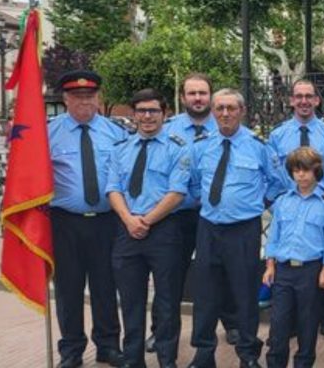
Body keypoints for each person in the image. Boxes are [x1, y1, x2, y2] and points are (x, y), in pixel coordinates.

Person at [187, 88, 287, 368]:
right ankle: (203, 353)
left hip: (244, 230)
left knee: (244, 294)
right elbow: (194, 183)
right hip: (208, 227)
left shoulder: (258, 146)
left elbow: (278, 182)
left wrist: (258, 202)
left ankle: (248, 353)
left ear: (241, 111)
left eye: (231, 108)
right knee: (204, 294)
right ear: (213, 112)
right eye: (219, 108)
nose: (225, 114)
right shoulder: (201, 145)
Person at [48, 70, 128, 368]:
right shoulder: (48, 132)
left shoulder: (117, 132)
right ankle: (71, 350)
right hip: (65, 222)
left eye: (90, 96)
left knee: (106, 286)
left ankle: (108, 345)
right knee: (68, 289)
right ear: (66, 99)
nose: (85, 102)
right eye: (77, 96)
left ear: (98, 98)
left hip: (107, 222)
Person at [157, 73, 241, 353]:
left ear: (211, 96)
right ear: (182, 97)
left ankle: (232, 325)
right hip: (176, 215)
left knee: (223, 272)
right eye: (191, 93)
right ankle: (161, 332)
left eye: (203, 93)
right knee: (170, 275)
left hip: (213, 216)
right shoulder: (166, 129)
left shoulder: (225, 125)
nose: (197, 98)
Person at [106, 89, 190, 368]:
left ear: (164, 114)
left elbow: (177, 193)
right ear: (133, 114)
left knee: (166, 301)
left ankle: (167, 360)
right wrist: (130, 220)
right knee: (130, 301)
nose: (147, 116)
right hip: (127, 230)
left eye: (153, 111)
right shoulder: (121, 150)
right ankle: (133, 359)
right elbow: (113, 189)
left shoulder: (178, 148)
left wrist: (147, 220)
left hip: (164, 231)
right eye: (141, 110)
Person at [265, 79, 324, 343]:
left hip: (320, 205)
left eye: (308, 96)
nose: (303, 101)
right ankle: (289, 325)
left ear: (316, 101)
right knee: (291, 265)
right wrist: (278, 202)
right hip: (287, 206)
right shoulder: (278, 135)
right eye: (298, 96)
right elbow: (271, 173)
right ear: (291, 100)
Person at [262, 147, 324, 368]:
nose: (301, 175)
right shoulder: (283, 201)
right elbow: (273, 235)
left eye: (306, 170)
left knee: (307, 323)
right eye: (296, 170)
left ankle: (304, 363)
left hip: (311, 271)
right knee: (279, 324)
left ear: (316, 172)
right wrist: (270, 265)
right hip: (284, 270)